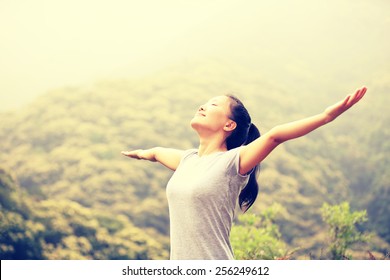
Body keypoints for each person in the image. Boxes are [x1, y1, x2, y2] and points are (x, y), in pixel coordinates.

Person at [121, 86, 367, 260]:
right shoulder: (186, 160)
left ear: (229, 125)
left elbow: (275, 135)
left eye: (213, 105)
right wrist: (142, 152)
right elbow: (157, 152)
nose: (203, 106)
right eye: (205, 103)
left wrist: (326, 116)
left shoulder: (232, 163)